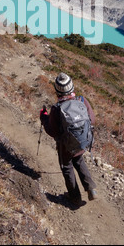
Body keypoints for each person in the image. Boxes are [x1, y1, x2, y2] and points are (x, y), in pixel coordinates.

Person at [40, 72, 98, 207]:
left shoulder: (56, 108)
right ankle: (91, 188)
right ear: (72, 87)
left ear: (57, 91)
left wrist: (44, 117)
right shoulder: (82, 101)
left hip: (65, 146)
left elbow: (52, 131)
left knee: (67, 167)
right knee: (79, 160)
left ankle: (75, 197)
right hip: (83, 142)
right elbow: (92, 120)